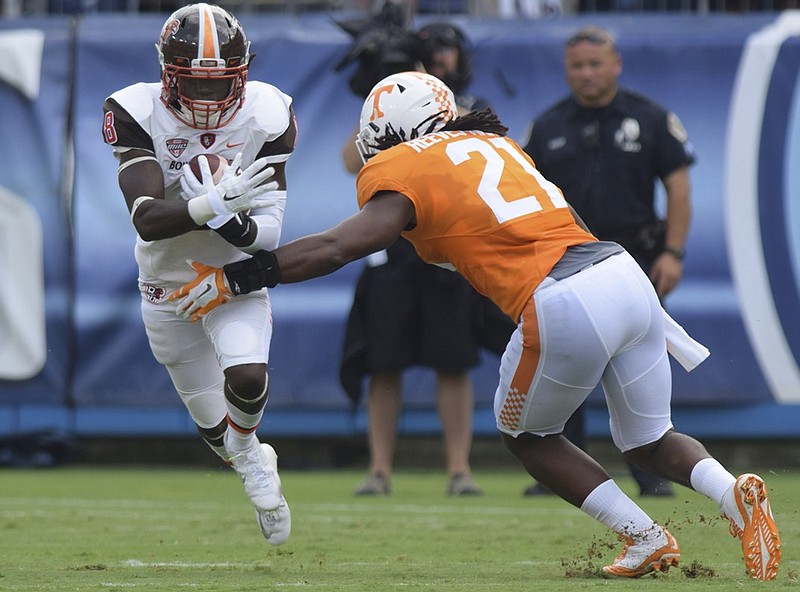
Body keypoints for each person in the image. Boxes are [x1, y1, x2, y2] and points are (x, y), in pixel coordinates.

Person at [171, 71, 781, 580]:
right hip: (620, 273)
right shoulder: (500, 146)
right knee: (649, 438)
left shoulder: (407, 164)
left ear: (388, 132)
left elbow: (339, 246)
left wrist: (239, 277)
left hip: (562, 295)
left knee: (529, 436)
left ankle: (646, 536)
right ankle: (733, 495)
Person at [101, 3, 294, 545]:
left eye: (219, 86)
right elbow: (146, 218)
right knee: (216, 431)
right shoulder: (134, 108)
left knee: (249, 378)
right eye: (195, 85)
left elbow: (270, 233)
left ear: (243, 73)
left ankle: (248, 454)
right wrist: (211, 203)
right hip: (166, 287)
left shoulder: (267, 112)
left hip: (233, 280)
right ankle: (251, 455)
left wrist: (231, 221)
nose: (208, 100)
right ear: (167, 73)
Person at [520, 25, 696, 498]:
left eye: (596, 64)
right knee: (565, 356)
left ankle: (651, 469)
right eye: (577, 66)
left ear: (615, 64)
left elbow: (678, 189)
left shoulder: (651, 118)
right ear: (567, 70)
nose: (587, 74)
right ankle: (562, 467)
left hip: (635, 258)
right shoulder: (547, 126)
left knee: (637, 362)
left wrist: (673, 253)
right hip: (566, 261)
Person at [339, 20, 511, 496]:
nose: (438, 60)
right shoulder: (389, 107)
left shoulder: (471, 112)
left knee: (452, 361)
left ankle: (459, 469)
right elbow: (352, 160)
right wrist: (387, 88)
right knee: (383, 361)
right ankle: (379, 469)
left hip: (448, 252)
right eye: (428, 53)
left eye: (445, 52)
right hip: (392, 252)